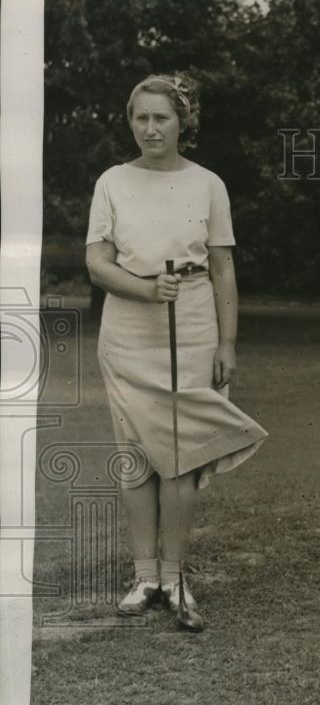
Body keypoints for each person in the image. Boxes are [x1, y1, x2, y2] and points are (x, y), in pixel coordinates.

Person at [85, 73, 268, 629]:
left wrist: (227, 342)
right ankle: (145, 577)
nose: (149, 128)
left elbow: (222, 267)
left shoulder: (208, 184)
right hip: (128, 330)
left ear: (183, 123)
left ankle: (174, 575)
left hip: (191, 324)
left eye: (161, 117)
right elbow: (96, 262)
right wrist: (143, 288)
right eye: (140, 117)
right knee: (137, 454)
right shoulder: (112, 181)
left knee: (182, 454)